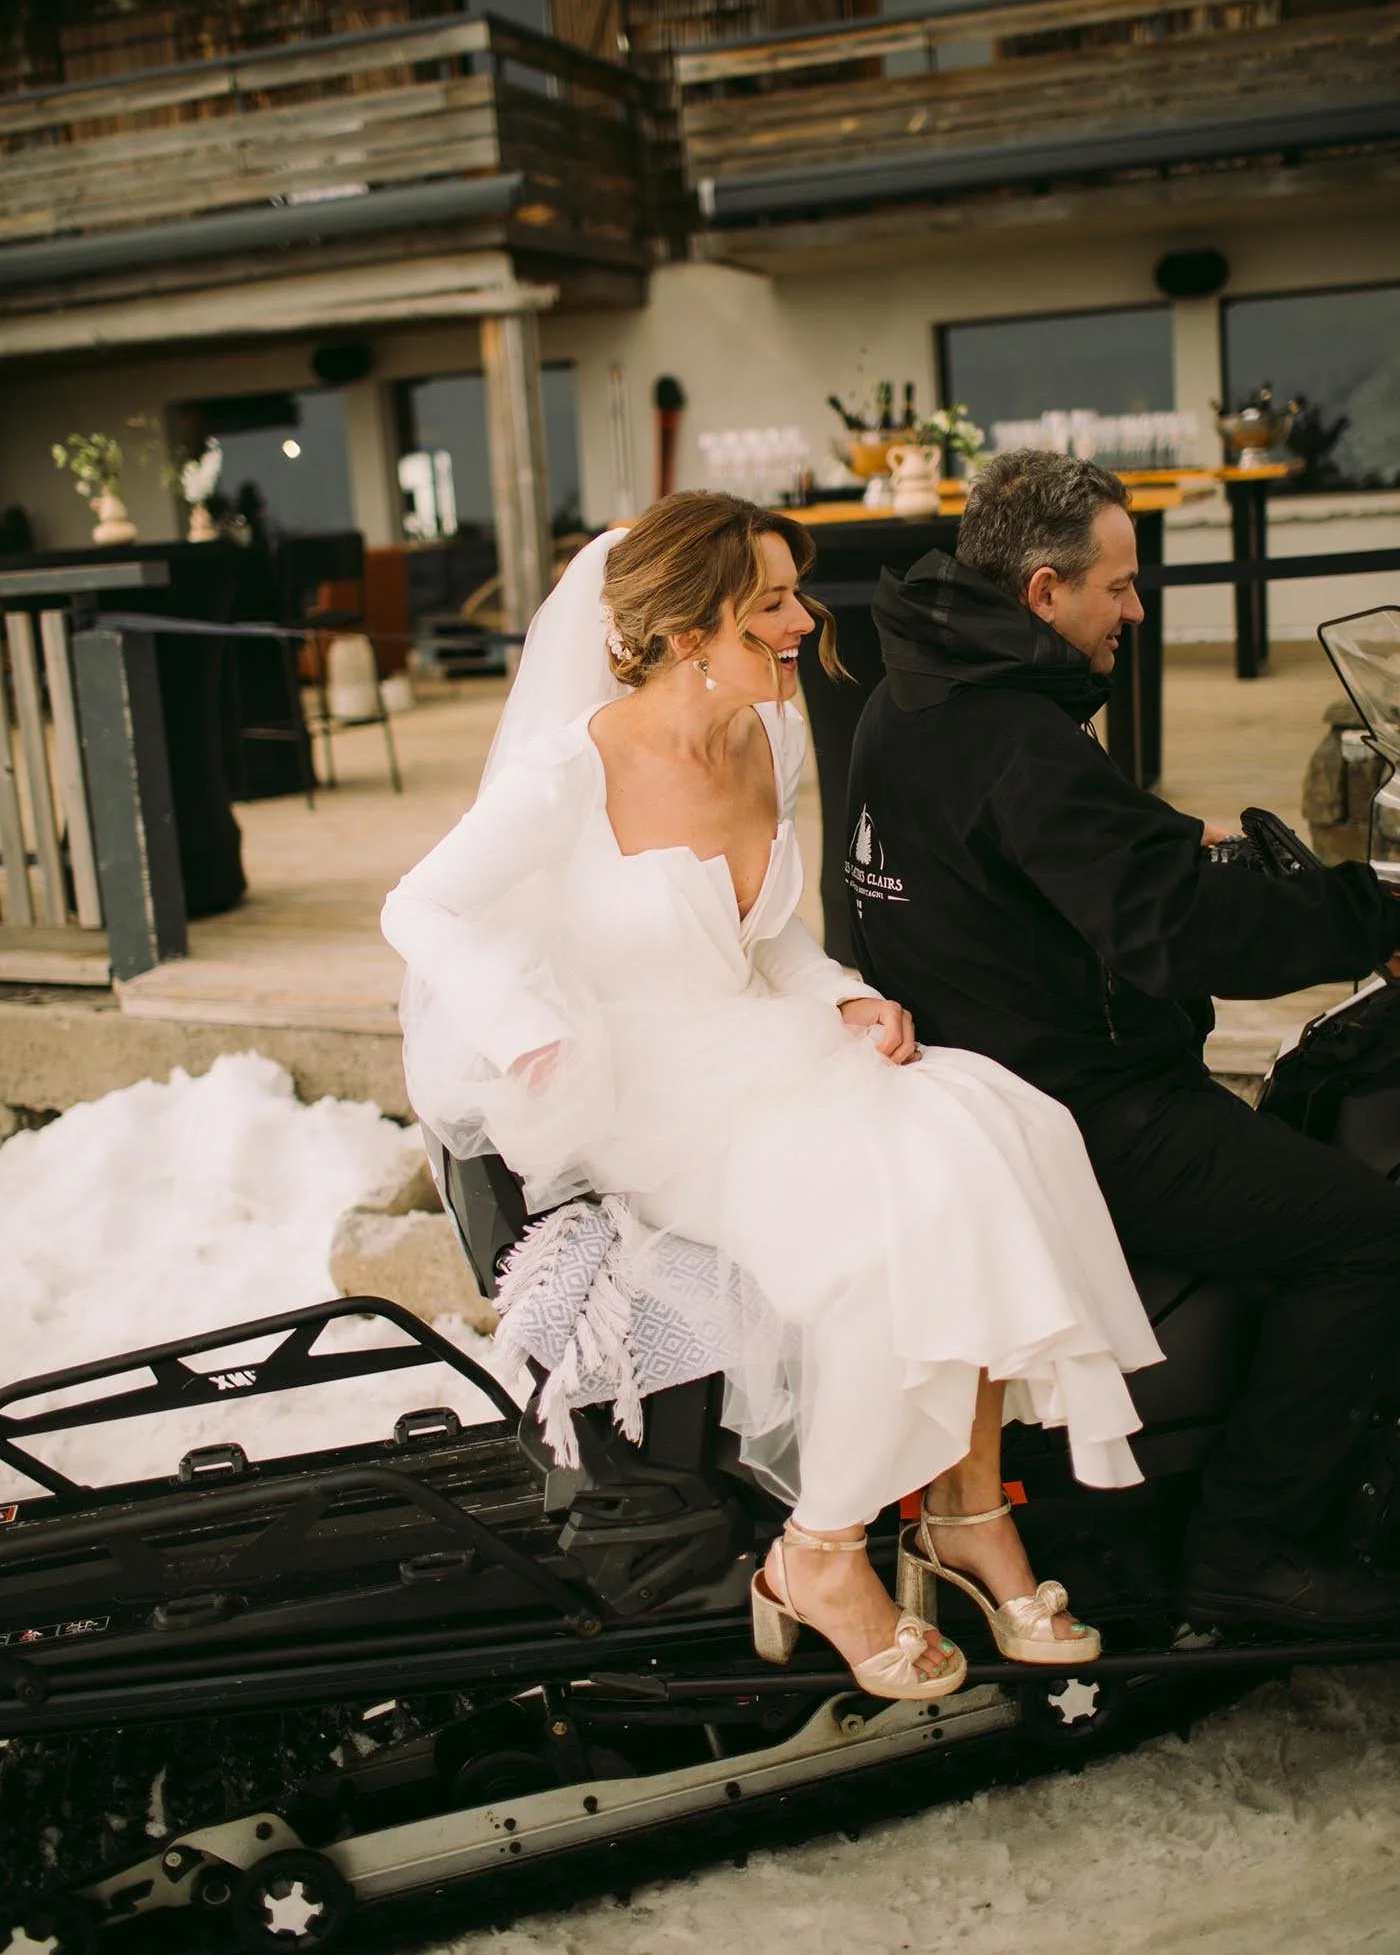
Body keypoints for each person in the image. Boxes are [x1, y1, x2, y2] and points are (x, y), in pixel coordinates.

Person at [382, 490, 1161, 1699]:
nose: (805, 622)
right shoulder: (568, 767)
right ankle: (819, 1547)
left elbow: (767, 934)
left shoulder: (774, 733)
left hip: (759, 1043)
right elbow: (418, 909)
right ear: (687, 630)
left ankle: (961, 1511)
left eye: (795, 595)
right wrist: (527, 1027)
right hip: (640, 1084)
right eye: (770, 607)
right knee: (869, 1237)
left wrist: (838, 990)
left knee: (1002, 1129)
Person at [846, 448, 1400, 1631]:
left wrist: (1158, 834)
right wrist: (1370, 915)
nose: (1135, 611)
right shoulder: (1015, 737)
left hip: (987, 1073)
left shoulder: (911, 696)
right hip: (1087, 1111)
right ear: (1042, 593)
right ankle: (1248, 1545)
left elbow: (1041, 856)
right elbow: (1177, 929)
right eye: (1120, 586)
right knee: (1364, 1238)